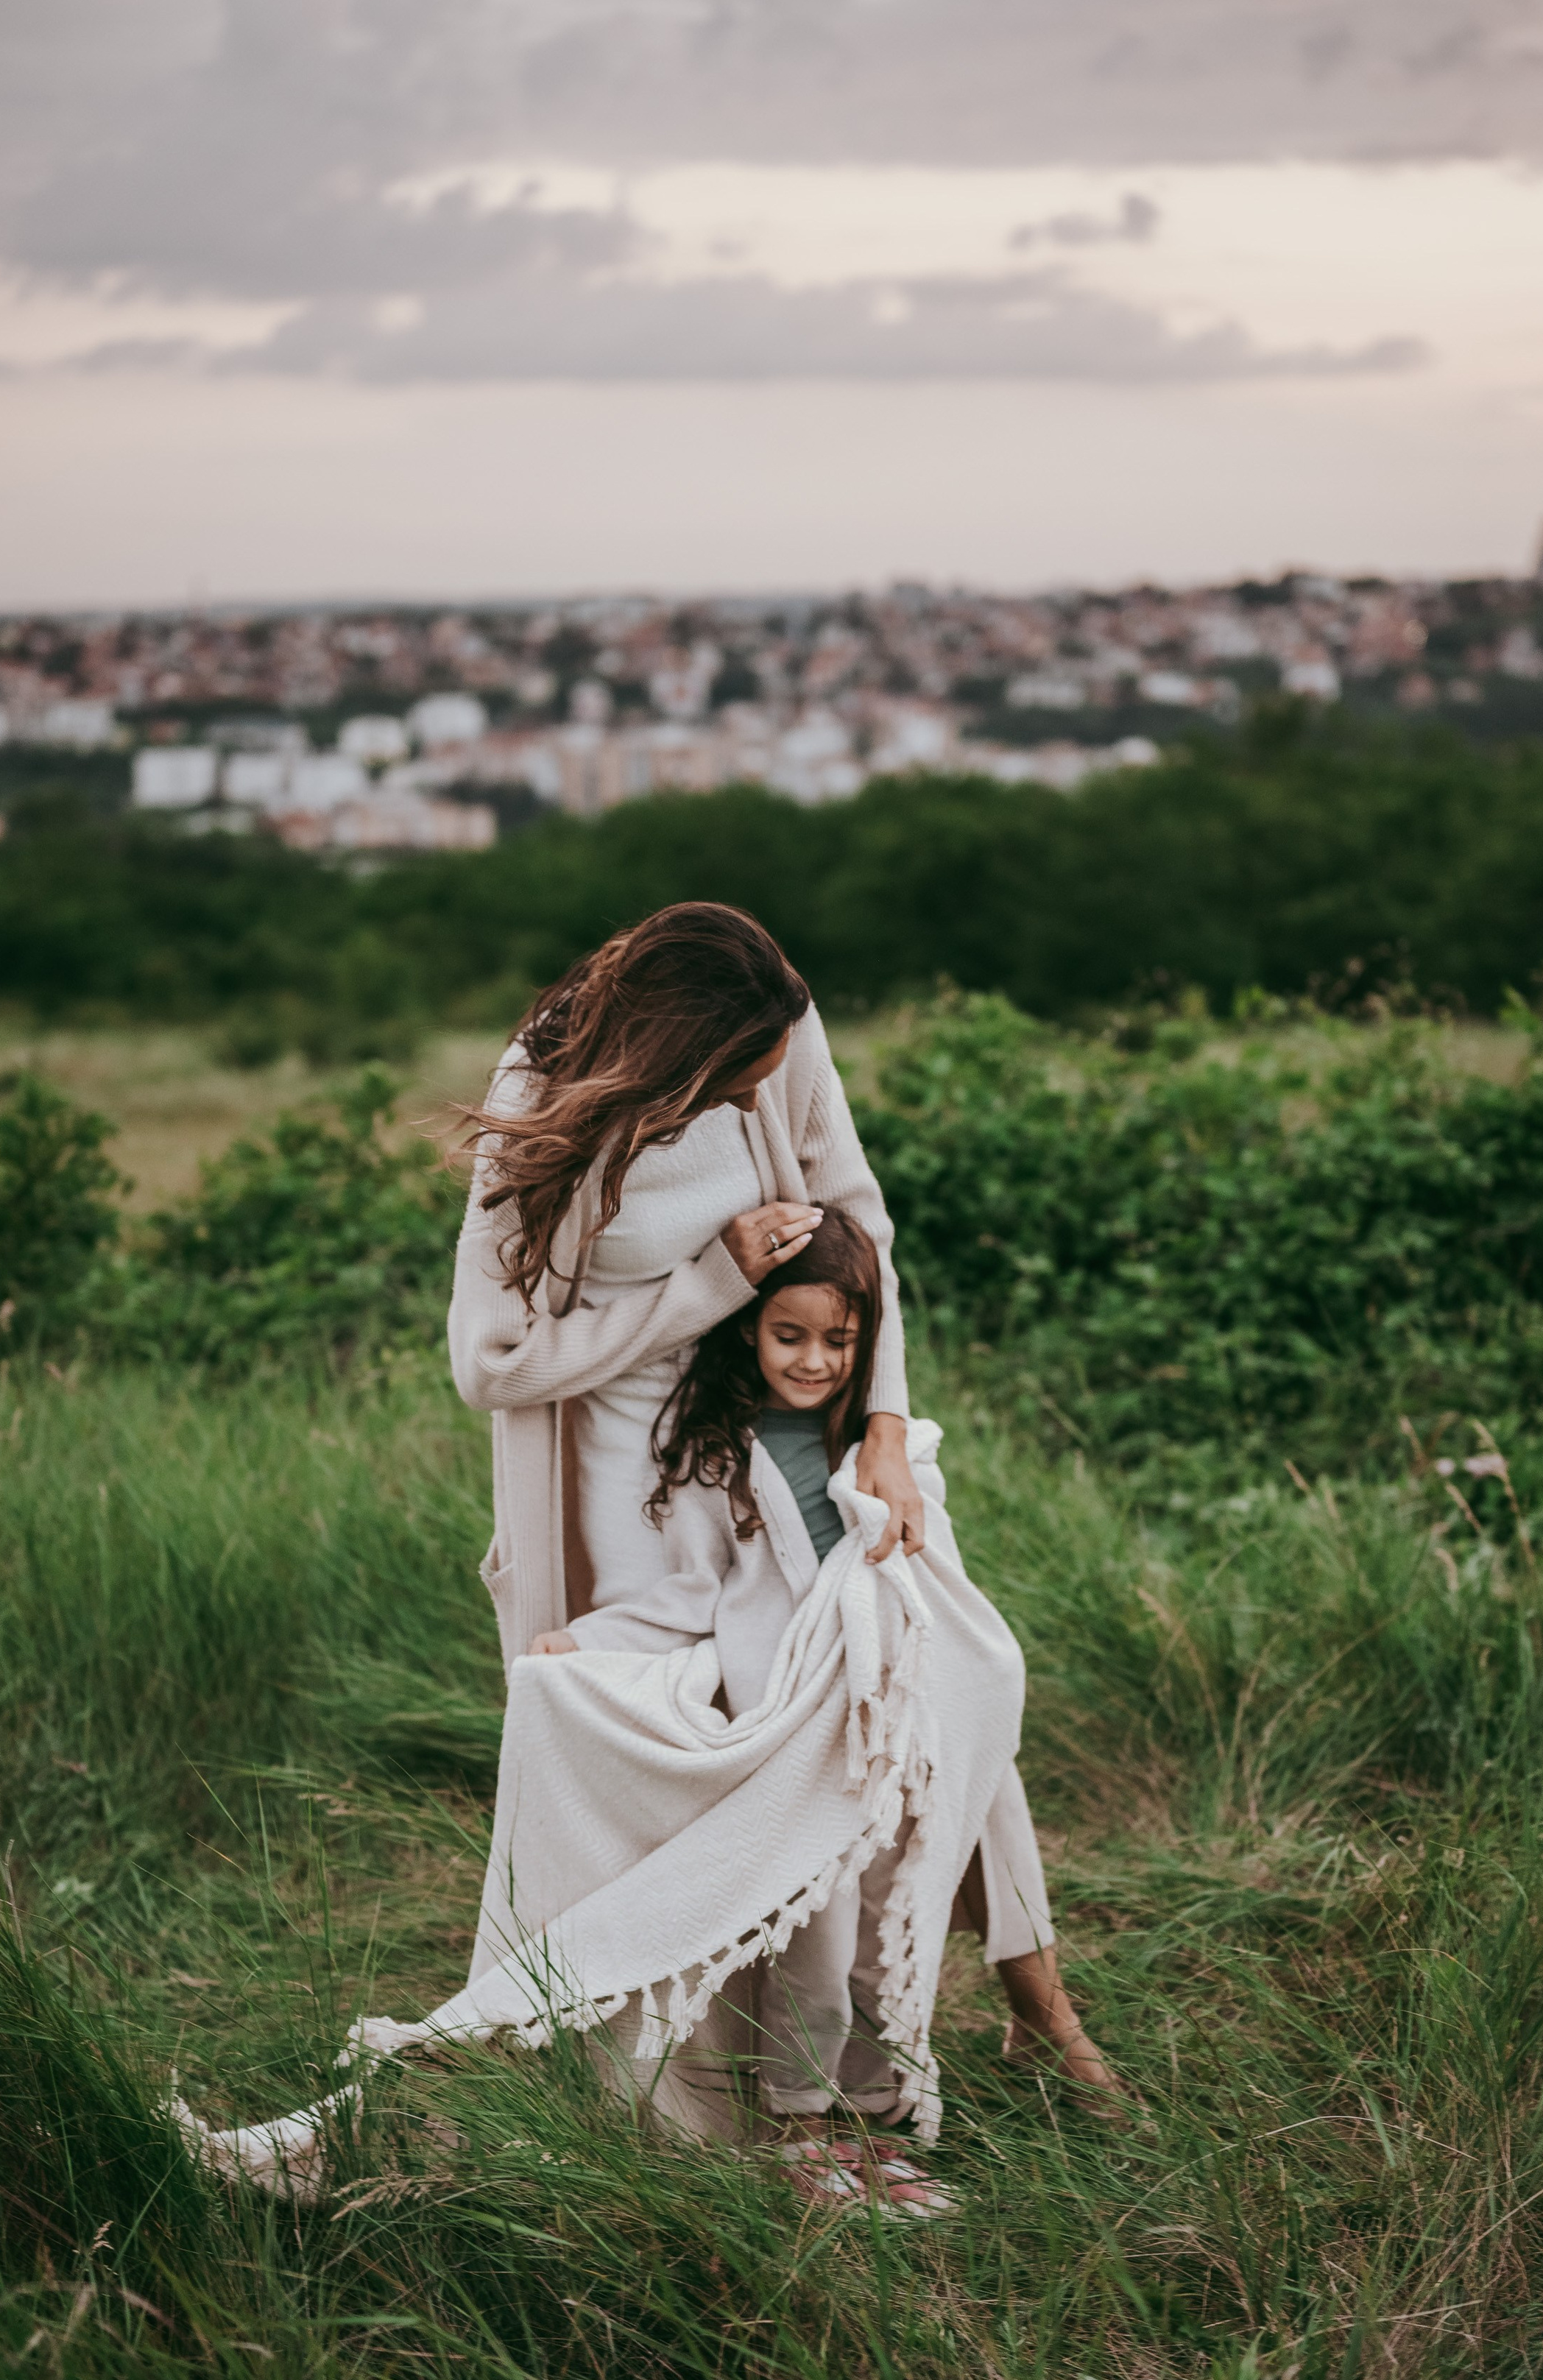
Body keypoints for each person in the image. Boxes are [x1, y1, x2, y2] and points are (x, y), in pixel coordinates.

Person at [448, 901, 1114, 2125]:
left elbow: (864, 1233)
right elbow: (492, 1365)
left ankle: (1042, 2016)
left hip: (802, 1425)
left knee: (927, 1677)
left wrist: (889, 1433)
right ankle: (715, 2084)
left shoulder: (782, 1031)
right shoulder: (544, 1088)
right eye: (735, 1081)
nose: (763, 1093)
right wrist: (713, 1282)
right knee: (724, 1754)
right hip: (634, 1474)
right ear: (670, 1057)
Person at [524, 1207, 1121, 2200]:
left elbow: (937, 1580)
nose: (811, 1361)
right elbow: (692, 1595)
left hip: (896, 1707)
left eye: (836, 1341)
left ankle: (883, 2108)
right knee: (821, 1917)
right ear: (748, 1332)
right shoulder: (720, 1455)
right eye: (787, 1335)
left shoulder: (891, 1451)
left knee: (906, 1897)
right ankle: (803, 2122)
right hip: (802, 1722)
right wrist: (586, 1641)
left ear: (866, 1343)